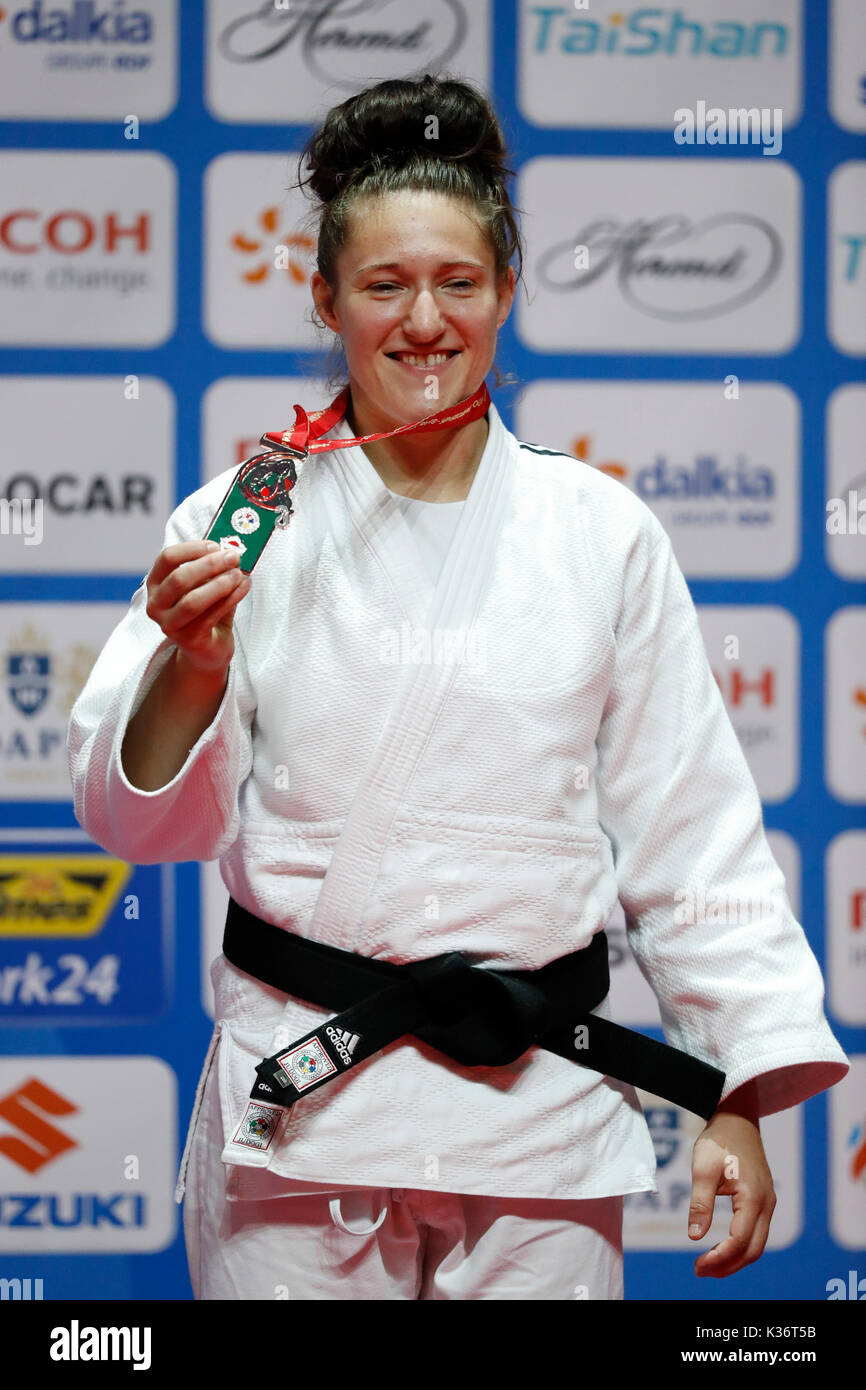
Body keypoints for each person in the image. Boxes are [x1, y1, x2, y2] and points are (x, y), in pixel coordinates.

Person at [66, 74, 849, 1302]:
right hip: (303, 1116)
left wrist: (737, 1090)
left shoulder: (601, 532)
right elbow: (132, 820)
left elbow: (690, 836)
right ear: (324, 298)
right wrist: (194, 664)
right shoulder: (237, 524)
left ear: (506, 291)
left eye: (457, 283)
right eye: (382, 285)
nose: (422, 320)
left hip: (534, 1122)